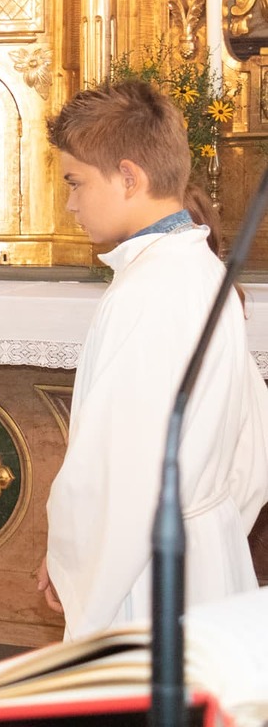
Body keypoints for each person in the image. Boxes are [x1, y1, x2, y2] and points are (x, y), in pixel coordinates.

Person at [38, 82, 268, 639]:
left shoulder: (149, 291)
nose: (71, 204)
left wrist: (73, 564)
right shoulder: (203, 271)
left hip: (145, 575)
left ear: (129, 177)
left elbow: (117, 471)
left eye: (76, 182)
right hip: (203, 556)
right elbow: (254, 446)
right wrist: (212, 528)